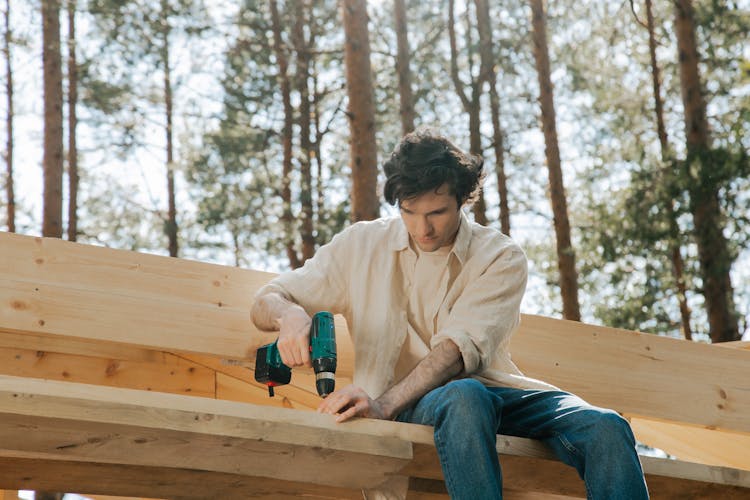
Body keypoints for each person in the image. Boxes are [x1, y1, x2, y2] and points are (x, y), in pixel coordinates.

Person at [251, 128, 649, 499]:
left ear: (462, 199)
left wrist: (383, 405)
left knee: (607, 426)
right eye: (409, 212)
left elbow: (457, 353)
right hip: (417, 403)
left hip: (490, 393)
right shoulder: (361, 245)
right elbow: (268, 297)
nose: (422, 229)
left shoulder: (500, 257)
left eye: (437, 213)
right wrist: (289, 317)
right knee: (464, 397)